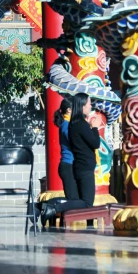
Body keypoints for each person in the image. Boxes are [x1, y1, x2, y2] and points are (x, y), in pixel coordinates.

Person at [40, 92, 100, 227]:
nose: (91, 106)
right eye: (89, 103)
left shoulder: (72, 124)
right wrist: (94, 128)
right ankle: (49, 207)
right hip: (72, 164)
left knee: (76, 199)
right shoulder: (71, 125)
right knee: (82, 201)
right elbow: (89, 143)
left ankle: (45, 206)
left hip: (76, 164)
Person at [53, 97, 79, 199]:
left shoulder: (67, 124)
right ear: (69, 110)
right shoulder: (66, 125)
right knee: (73, 200)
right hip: (68, 165)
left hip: (70, 164)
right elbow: (74, 142)